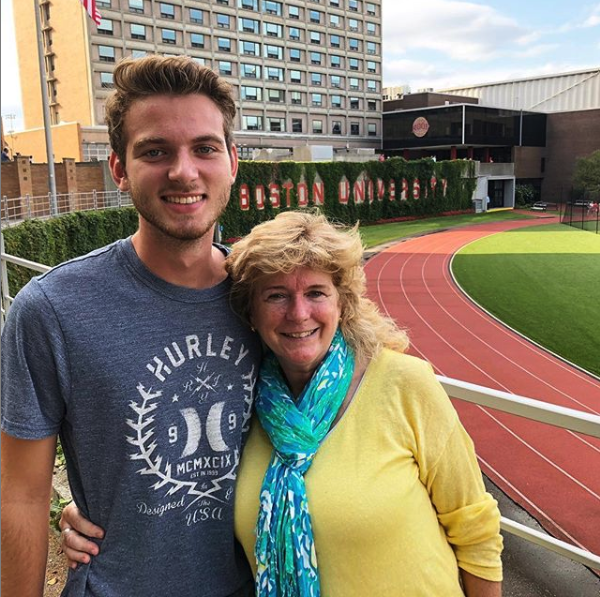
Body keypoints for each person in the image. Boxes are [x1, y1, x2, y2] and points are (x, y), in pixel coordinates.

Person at [62, 211, 503, 596]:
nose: (298, 314)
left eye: (315, 292)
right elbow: (192, 480)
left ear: (341, 302)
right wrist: (99, 512)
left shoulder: (405, 385)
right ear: (251, 312)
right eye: (276, 295)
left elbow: (476, 529)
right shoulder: (244, 401)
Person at [1, 55, 260, 597]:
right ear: (119, 168)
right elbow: (20, 496)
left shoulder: (271, 303)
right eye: (155, 151)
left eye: (205, 148)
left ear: (233, 161)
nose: (184, 171)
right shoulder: (49, 311)